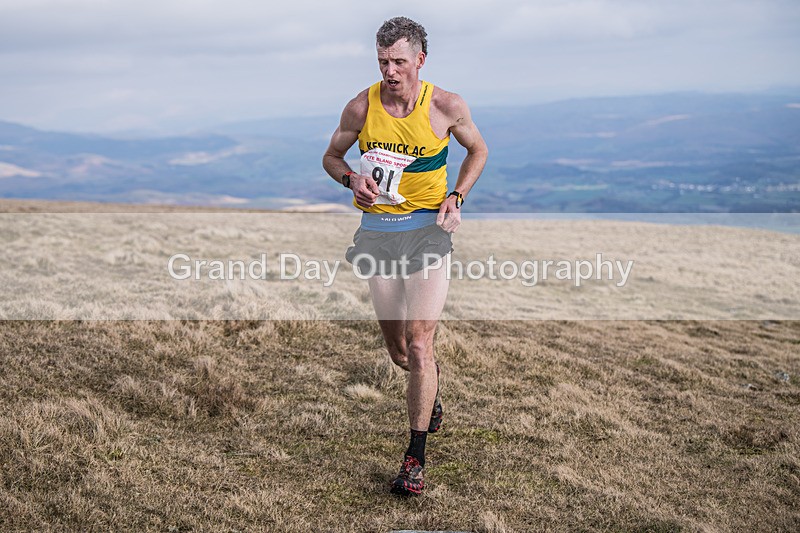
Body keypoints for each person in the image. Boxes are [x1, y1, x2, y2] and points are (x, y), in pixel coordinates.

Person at [322, 16, 487, 496]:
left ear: (420, 59)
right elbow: (331, 157)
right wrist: (351, 178)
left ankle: (414, 458)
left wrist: (456, 196)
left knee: (420, 343)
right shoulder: (361, 106)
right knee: (398, 351)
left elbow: (478, 151)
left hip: (426, 232)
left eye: (397, 61)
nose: (389, 71)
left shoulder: (446, 106)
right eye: (381, 62)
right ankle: (428, 386)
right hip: (378, 233)